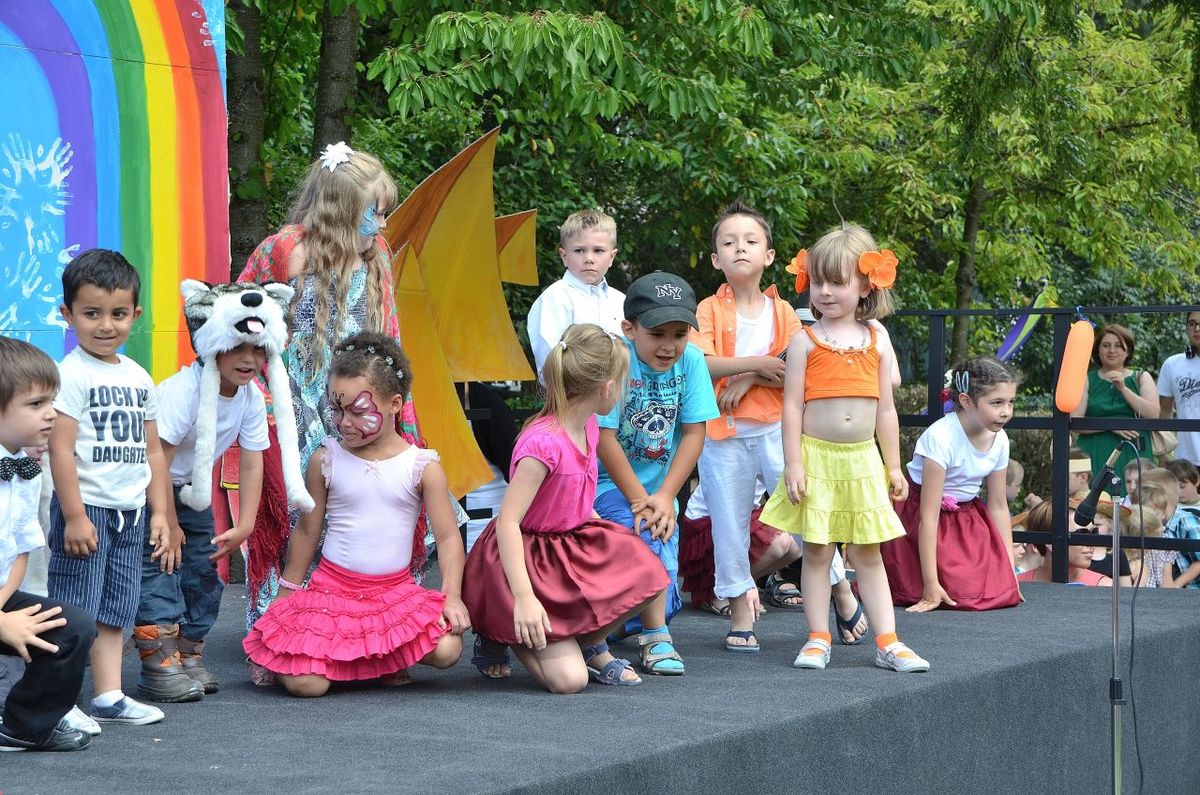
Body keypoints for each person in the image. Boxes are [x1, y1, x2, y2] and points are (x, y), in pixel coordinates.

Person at [236, 142, 422, 629]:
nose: (382, 225)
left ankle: (353, 622)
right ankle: (277, 625)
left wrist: (398, 413)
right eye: (374, 214)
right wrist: (258, 402)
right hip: (292, 410)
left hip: (355, 408)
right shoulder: (282, 251)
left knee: (356, 511)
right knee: (293, 516)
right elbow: (239, 323)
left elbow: (390, 336)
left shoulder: (376, 256)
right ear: (340, 210)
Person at [243, 333, 468, 697]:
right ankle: (377, 661)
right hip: (333, 592)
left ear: (395, 404)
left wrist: (451, 595)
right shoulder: (326, 459)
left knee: (447, 649)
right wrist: (286, 594)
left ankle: (366, 660)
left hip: (395, 595)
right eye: (337, 409)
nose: (344, 422)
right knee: (306, 685)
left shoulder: (422, 467)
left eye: (358, 412)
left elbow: (447, 537)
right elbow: (307, 531)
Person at [463, 324, 671, 691]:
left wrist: (610, 542)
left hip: (567, 545)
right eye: (622, 385)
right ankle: (503, 629)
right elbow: (508, 522)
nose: (622, 393)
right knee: (569, 681)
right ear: (605, 388)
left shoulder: (589, 425)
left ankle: (588, 643)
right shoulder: (543, 444)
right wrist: (524, 599)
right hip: (528, 557)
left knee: (651, 576)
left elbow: (575, 497)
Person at [760, 224, 928, 672]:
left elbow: (886, 409)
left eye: (837, 282)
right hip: (817, 458)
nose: (825, 291)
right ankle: (818, 637)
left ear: (865, 286)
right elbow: (791, 407)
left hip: (862, 461)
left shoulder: (877, 337)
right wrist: (794, 463)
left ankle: (888, 641)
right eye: (817, 281)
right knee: (817, 551)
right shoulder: (805, 340)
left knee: (868, 552)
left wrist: (894, 466)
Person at [133, 281, 288, 701]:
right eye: (237, 347)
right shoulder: (184, 391)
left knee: (203, 572)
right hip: (150, 491)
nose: (249, 359)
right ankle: (159, 662)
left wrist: (246, 525)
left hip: (189, 495)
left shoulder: (250, 396)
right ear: (212, 344)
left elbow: (252, 459)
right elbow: (155, 459)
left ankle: (188, 651)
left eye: (258, 349)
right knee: (162, 567)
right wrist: (166, 520)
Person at [47, 249, 174, 726]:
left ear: (135, 315)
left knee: (116, 607)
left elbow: (153, 452)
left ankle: (108, 696)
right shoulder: (70, 374)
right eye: (91, 313)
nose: (106, 325)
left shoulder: (138, 377)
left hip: (129, 510)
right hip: (88, 509)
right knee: (74, 609)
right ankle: (56, 703)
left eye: (118, 314)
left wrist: (159, 512)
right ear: (68, 314)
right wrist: (74, 515)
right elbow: (61, 450)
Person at [691, 200, 804, 652]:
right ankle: (740, 611)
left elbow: (793, 365)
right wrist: (758, 364)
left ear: (769, 255)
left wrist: (750, 377)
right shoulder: (707, 309)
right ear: (716, 258)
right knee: (729, 526)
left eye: (751, 241)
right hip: (723, 435)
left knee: (804, 509)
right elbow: (701, 363)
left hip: (776, 428)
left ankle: (838, 589)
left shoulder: (784, 311)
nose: (740, 248)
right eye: (729, 242)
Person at [594, 271, 720, 675]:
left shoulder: (693, 361)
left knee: (663, 591)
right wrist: (640, 500)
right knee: (648, 541)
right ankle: (654, 637)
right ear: (629, 328)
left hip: (659, 489)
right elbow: (604, 438)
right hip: (604, 485)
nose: (669, 346)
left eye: (679, 334)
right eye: (657, 334)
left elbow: (694, 432)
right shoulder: (616, 360)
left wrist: (665, 496)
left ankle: (615, 623)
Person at [0, 337, 96, 752]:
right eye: (36, 404)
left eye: (52, 402)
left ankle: (23, 725)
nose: (51, 413)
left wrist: (3, 608)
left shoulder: (23, 468)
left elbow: (21, 548)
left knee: (72, 628)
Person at [882, 356, 1023, 611]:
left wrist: (1009, 573)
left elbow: (998, 505)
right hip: (921, 520)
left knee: (992, 593)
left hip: (966, 520)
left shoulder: (1000, 439)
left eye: (1011, 402)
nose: (1006, 411)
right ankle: (926, 578)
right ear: (966, 401)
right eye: (997, 403)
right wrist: (930, 585)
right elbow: (928, 517)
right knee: (961, 595)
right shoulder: (941, 438)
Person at [678, 480, 869, 645]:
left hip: (746, 515)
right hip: (709, 526)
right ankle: (725, 590)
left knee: (793, 543)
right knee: (781, 541)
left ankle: (840, 588)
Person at [526, 210, 626, 377]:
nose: (589, 258)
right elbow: (549, 362)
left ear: (612, 257)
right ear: (564, 256)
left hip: (620, 390)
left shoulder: (621, 301)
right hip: (571, 391)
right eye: (579, 250)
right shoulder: (554, 299)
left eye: (598, 250)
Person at [1070, 324, 1158, 495]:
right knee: (1094, 500)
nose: (1112, 350)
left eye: (1118, 345)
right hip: (1094, 450)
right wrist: (1110, 426)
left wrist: (1123, 389)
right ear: (1097, 351)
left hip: (1132, 450)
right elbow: (1075, 421)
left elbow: (1153, 414)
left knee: (1136, 500)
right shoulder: (1087, 379)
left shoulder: (1141, 376)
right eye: (1106, 345)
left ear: (1127, 351)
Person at [1017, 501, 1112, 586]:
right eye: (1081, 534)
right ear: (1050, 542)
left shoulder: (1105, 587)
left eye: (1094, 532)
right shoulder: (1018, 585)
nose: (1090, 542)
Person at [1158, 310, 1200, 467]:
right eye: (1192, 324)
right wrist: (1163, 453)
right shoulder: (1172, 364)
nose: (1197, 329)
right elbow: (1164, 413)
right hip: (1185, 461)